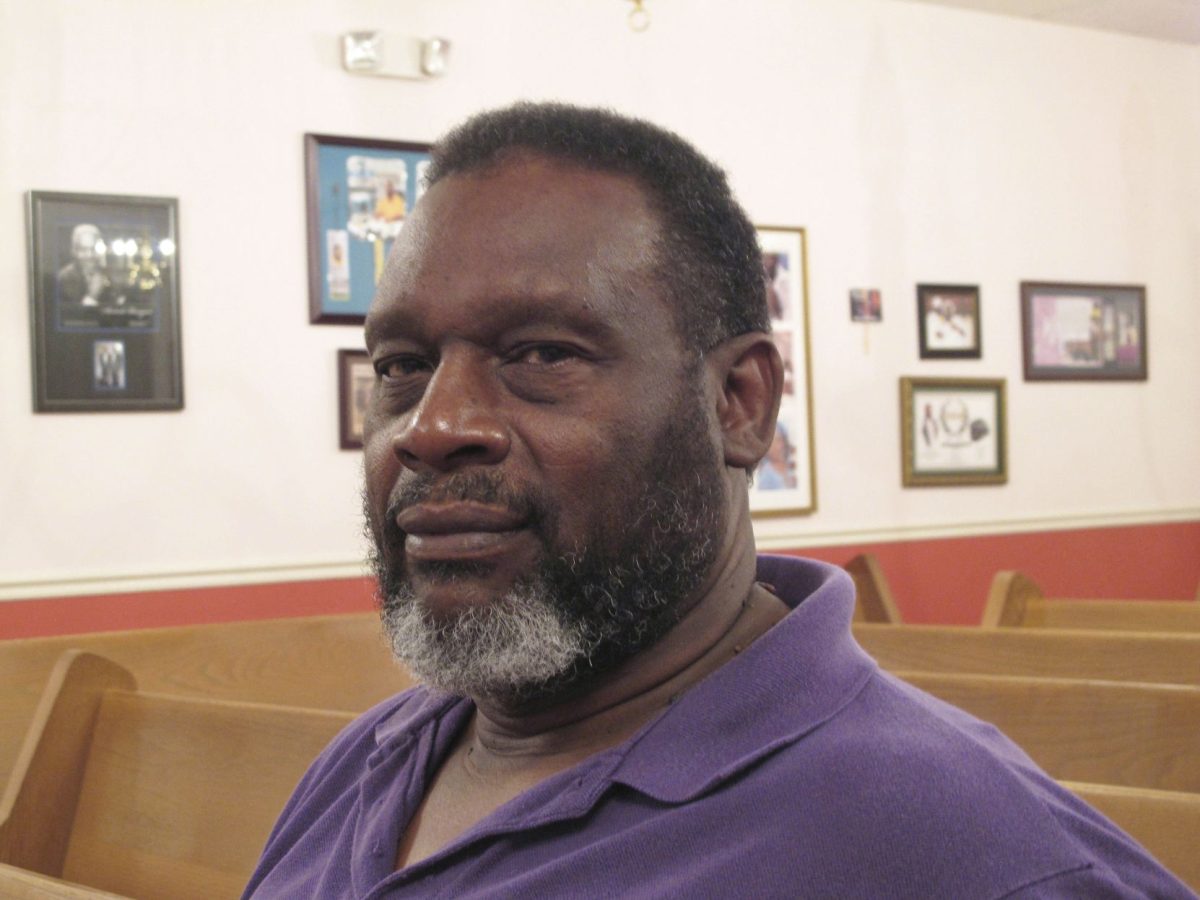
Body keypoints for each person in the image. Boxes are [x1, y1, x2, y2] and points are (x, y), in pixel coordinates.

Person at [244, 103, 1194, 898]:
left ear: (739, 404)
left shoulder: (971, 852)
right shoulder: (368, 763)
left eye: (541, 354)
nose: (431, 426)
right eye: (402, 366)